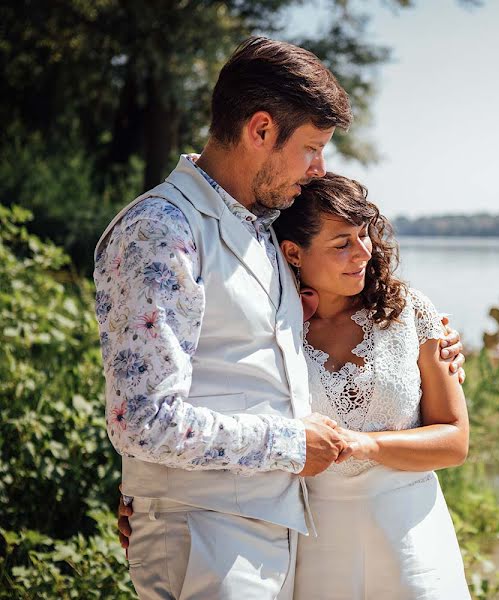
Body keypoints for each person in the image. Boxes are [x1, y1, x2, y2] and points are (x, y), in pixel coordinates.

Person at [94, 36, 464, 599]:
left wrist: (431, 338)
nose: (319, 170)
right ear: (261, 130)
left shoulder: (264, 231)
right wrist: (287, 446)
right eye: (313, 148)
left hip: (281, 534)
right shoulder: (161, 232)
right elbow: (143, 421)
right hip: (207, 536)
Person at [275, 173, 470, 599]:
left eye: (363, 235)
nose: (362, 251)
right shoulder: (272, 329)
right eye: (341, 243)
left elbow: (455, 441)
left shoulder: (410, 312)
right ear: (293, 252)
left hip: (412, 535)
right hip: (317, 544)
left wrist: (367, 445)